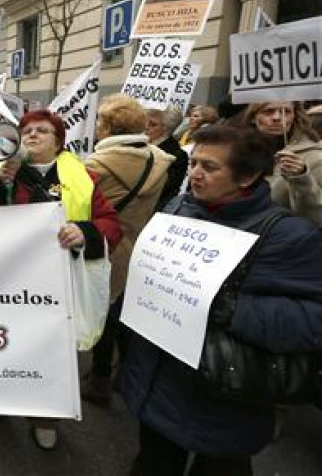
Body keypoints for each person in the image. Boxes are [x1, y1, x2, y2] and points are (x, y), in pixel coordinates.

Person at [122, 125, 322, 475]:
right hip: (158, 385)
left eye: (209, 167)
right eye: (194, 163)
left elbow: (312, 319)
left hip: (227, 399)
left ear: (247, 176)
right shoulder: (178, 209)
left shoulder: (288, 237)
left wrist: (228, 308)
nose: (195, 173)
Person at [0, 110, 123, 450]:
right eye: (27, 131)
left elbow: (111, 223)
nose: (32, 135)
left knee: (48, 352)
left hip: (56, 282)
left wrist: (85, 232)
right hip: (7, 280)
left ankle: (43, 416)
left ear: (59, 140)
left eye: (42, 131)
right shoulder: (1, 172)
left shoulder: (84, 177)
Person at [82, 95, 175, 405]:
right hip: (138, 245)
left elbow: (81, 209)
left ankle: (99, 380)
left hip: (106, 244)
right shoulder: (158, 160)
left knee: (101, 315)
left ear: (109, 126)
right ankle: (125, 374)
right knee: (123, 313)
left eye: (99, 121)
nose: (95, 126)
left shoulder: (96, 166)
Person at [245, 101, 322, 226]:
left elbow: (316, 217)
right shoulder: (236, 150)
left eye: (286, 112)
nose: (277, 117)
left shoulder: (314, 158)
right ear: (253, 117)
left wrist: (301, 178)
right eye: (268, 111)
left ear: (295, 117)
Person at [144, 107, 189, 211]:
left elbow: (164, 190)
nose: (146, 126)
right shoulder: (138, 144)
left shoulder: (177, 156)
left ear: (167, 129)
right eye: (145, 121)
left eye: (153, 124)